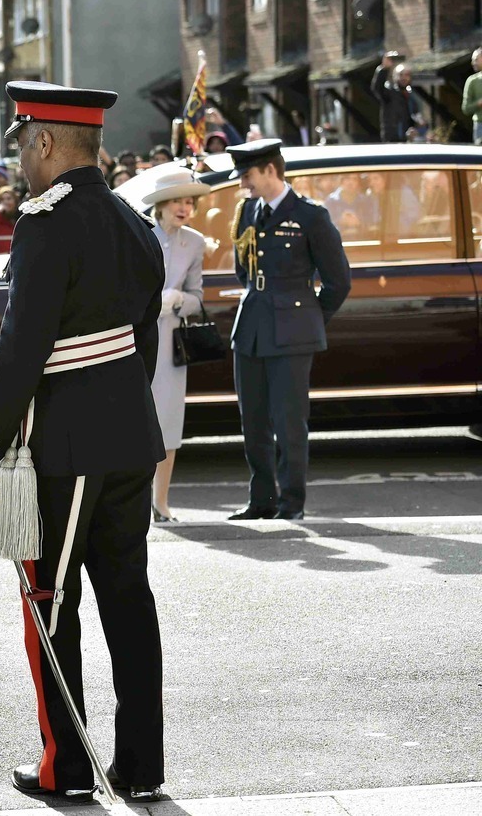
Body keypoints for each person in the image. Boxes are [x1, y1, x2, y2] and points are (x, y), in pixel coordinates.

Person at [0, 80, 166, 804]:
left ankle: (67, 767)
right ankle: (141, 765)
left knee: (49, 602)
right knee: (128, 599)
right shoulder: (129, 218)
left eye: (22, 143)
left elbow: (21, 351)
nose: (20, 158)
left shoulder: (45, 223)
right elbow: (140, 331)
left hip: (69, 444)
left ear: (45, 142)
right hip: (129, 432)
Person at [225, 140, 351, 520]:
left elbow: (338, 281)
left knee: (288, 422)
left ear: (269, 170)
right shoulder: (247, 210)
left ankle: (290, 503)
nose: (243, 184)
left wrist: (310, 318)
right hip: (252, 326)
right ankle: (261, 499)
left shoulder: (310, 216)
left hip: (292, 330)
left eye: (247, 175)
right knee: (254, 420)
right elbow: (243, 269)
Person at [142, 170, 210, 522]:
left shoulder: (195, 242)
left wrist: (178, 299)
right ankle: (132, 501)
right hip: (136, 337)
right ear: (162, 205)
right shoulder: (141, 234)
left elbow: (199, 298)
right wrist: (153, 300)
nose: (184, 208)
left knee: (168, 422)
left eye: (189, 202)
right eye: (178, 201)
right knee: (133, 420)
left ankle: (161, 502)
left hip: (170, 340)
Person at [372, 54, 422, 143]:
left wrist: (419, 126)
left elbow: (416, 117)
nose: (404, 78)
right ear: (395, 76)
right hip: (392, 140)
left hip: (408, 140)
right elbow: (377, 88)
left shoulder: (411, 96)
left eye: (406, 75)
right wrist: (383, 69)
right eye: (400, 75)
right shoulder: (390, 93)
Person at [462, 49, 482, 145]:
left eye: (476, 59)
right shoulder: (472, 81)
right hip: (480, 126)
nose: (473, 63)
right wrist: (479, 103)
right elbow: (466, 108)